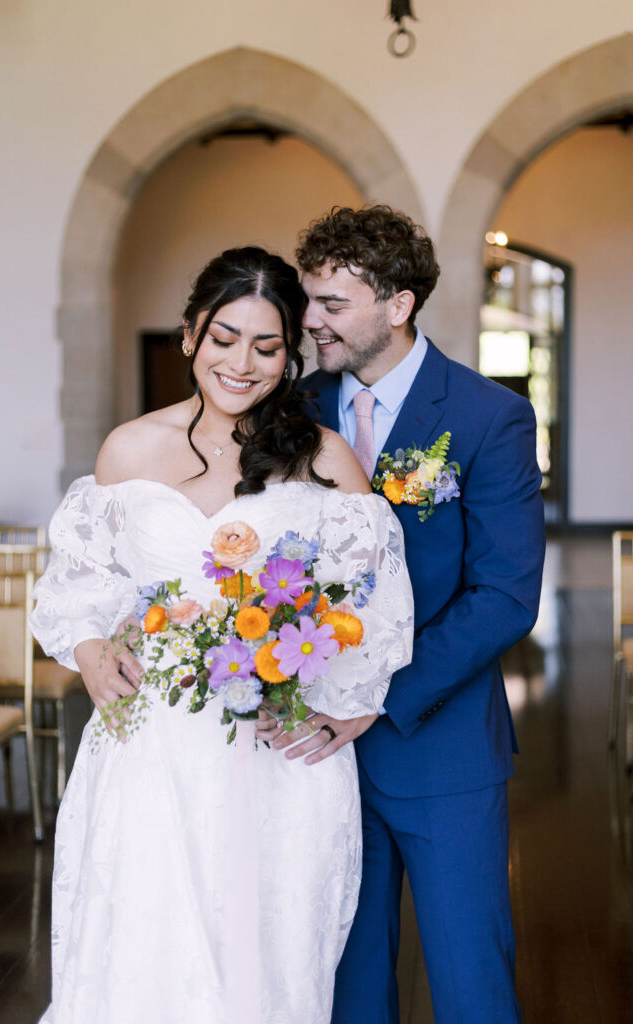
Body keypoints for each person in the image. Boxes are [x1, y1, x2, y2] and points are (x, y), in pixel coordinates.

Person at [30, 246, 414, 1024]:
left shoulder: (323, 459)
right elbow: (81, 586)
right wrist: (91, 650)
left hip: (273, 749)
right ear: (188, 336)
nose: (242, 363)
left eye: (267, 347)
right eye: (224, 338)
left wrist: (352, 701)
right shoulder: (127, 450)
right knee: (143, 939)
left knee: (265, 953)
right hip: (149, 745)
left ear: (290, 355)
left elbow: (375, 602)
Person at [256, 206, 545, 1023]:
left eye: (331, 304)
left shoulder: (488, 417)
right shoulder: (292, 408)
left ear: (398, 303)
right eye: (307, 299)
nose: (308, 320)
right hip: (313, 751)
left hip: (439, 745)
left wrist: (371, 693)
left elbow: (504, 595)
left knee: (468, 982)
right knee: (342, 981)